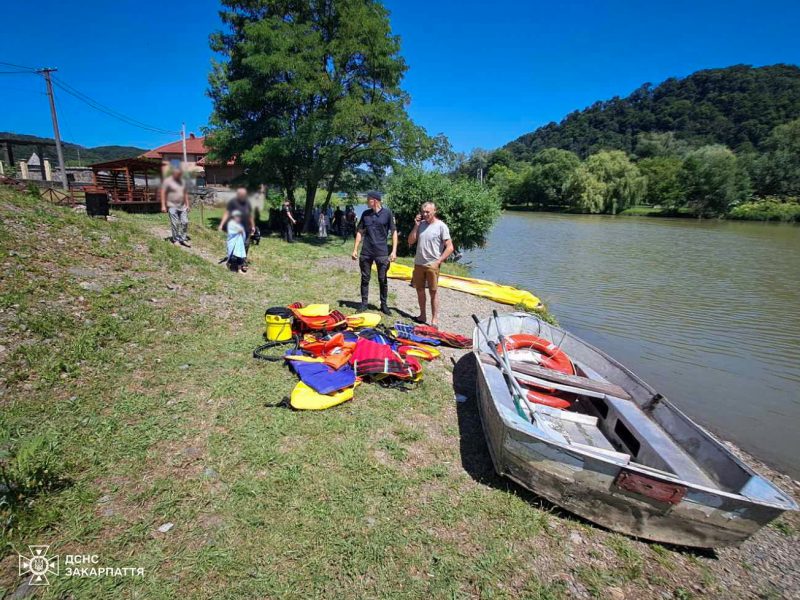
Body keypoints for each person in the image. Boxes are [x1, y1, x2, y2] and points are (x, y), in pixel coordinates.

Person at [407, 202, 454, 327]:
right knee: (420, 290)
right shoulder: (420, 225)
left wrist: (438, 261)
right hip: (419, 263)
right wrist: (416, 226)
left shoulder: (441, 226)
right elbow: (410, 241)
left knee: (433, 292)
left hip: (432, 265)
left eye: (428, 212)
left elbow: (450, 247)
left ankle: (434, 320)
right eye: (423, 212)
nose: (425, 214)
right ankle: (422, 316)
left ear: (434, 211)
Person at [351, 191, 397, 314]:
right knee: (365, 279)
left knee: (382, 279)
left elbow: (393, 232)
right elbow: (360, 232)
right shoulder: (365, 214)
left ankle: (384, 305)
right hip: (366, 252)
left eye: (368, 200)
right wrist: (355, 249)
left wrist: (394, 251)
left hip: (382, 252)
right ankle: (364, 304)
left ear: (375, 201)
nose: (366, 202)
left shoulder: (387, 214)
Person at [219, 187, 255, 265]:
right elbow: (227, 213)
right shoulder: (232, 203)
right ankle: (231, 259)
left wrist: (253, 226)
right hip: (235, 228)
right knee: (233, 243)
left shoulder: (247, 203)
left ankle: (242, 260)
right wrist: (221, 224)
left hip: (246, 227)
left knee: (246, 244)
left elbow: (250, 215)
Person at [160, 167, 190, 247]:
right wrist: (163, 205)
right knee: (175, 223)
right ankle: (175, 239)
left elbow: (185, 193)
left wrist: (188, 205)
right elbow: (163, 193)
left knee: (185, 222)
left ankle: (183, 239)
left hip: (182, 206)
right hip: (172, 205)